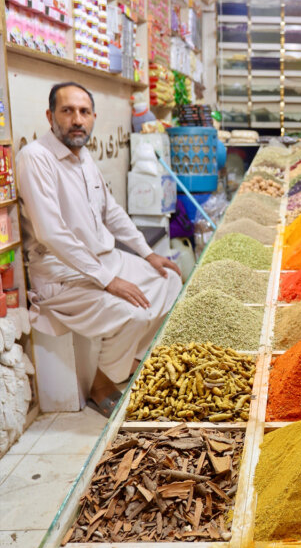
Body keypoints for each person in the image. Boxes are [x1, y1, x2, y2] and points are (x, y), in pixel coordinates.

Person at [16, 82, 183, 416]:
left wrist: (147, 254)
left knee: (171, 279)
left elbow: (111, 212)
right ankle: (102, 384)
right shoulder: (35, 158)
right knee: (133, 313)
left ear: (93, 117)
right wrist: (108, 281)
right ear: (50, 116)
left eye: (84, 112)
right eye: (67, 111)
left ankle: (132, 360)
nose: (77, 119)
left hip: (105, 260)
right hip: (63, 273)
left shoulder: (83, 156)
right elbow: (51, 234)